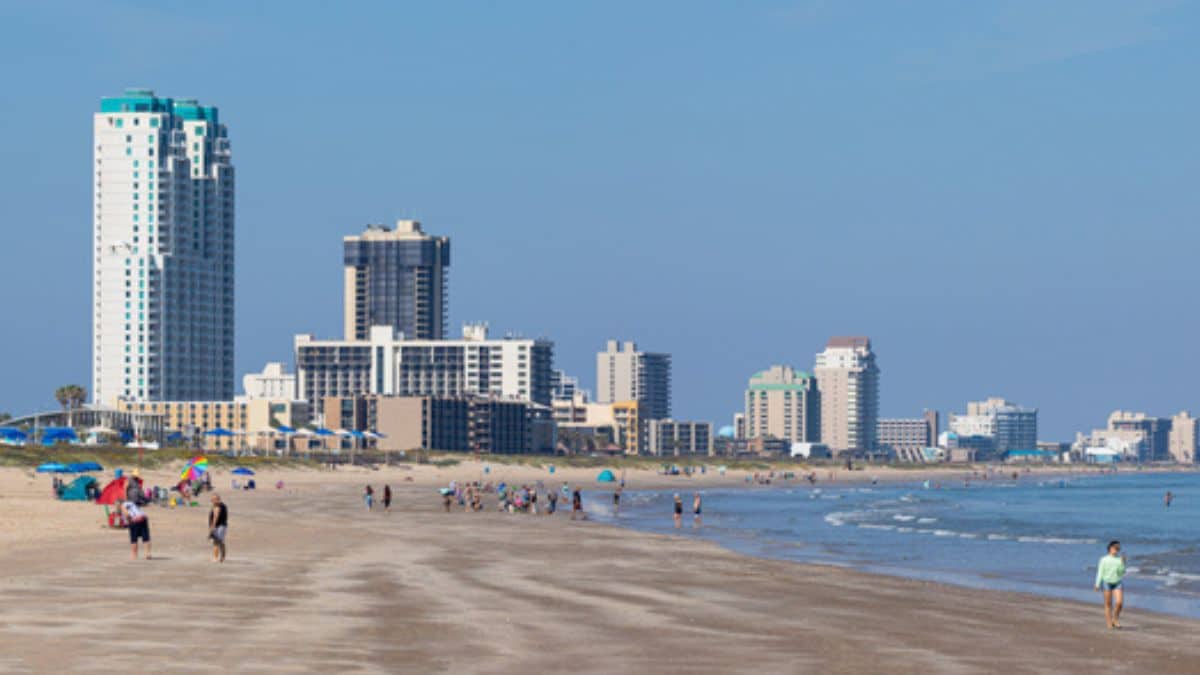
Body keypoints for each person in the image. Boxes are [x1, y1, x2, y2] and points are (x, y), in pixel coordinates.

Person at [1094, 540, 1127, 629]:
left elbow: (1122, 572)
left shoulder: (1119, 559)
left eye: (1119, 548)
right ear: (1111, 548)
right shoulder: (1103, 559)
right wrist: (1097, 584)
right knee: (1108, 604)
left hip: (1117, 583)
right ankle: (1109, 623)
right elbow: (1100, 572)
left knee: (1119, 603)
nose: (1118, 549)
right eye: (1116, 547)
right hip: (1106, 583)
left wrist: (1123, 563)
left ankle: (1115, 619)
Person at [208, 494, 228, 563]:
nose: (211, 501)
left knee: (217, 542)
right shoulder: (222, 505)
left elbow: (215, 517)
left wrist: (212, 527)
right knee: (220, 542)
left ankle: (216, 558)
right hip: (221, 526)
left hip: (219, 527)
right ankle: (222, 557)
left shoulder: (218, 506)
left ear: (217, 499)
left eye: (213, 499)